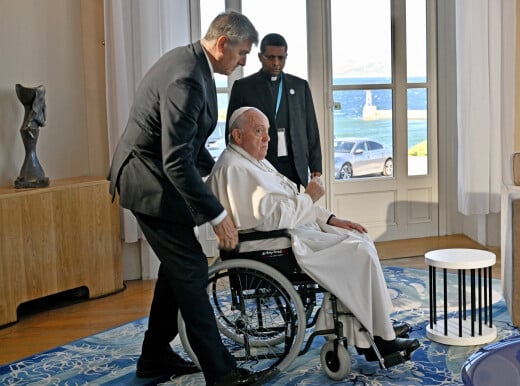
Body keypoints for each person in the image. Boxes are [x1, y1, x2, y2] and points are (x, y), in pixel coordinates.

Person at [108, 12, 277, 386]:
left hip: (157, 178)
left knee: (178, 268)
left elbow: (188, 147)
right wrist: (217, 215)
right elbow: (175, 159)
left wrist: (231, 167)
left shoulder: (193, 63)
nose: (245, 61)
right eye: (243, 53)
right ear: (222, 44)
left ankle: (153, 357)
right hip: (146, 182)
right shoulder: (187, 77)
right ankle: (221, 372)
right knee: (192, 270)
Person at [207, 107, 420, 366]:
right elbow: (272, 219)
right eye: (259, 131)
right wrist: (309, 197)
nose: (267, 139)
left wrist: (330, 219)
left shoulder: (253, 160)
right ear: (237, 136)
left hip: (291, 231)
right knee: (358, 253)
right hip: (275, 243)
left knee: (359, 237)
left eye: (268, 132)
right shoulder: (233, 169)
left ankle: (378, 324)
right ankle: (381, 339)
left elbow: (288, 199)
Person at [225, 33, 322, 189]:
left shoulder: (299, 86)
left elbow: (311, 128)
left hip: (294, 165)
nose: (276, 63)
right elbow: (232, 132)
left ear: (286, 57)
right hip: (260, 164)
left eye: (281, 58)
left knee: (295, 209)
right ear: (260, 56)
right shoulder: (243, 87)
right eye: (270, 57)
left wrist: (316, 168)